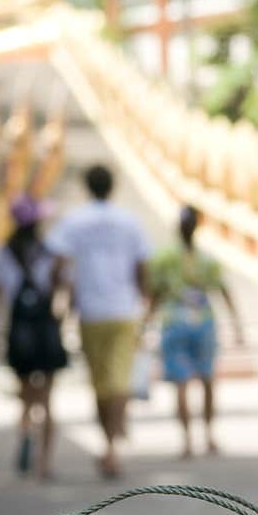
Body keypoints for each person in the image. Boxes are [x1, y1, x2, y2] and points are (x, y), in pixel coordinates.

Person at [49, 164, 151, 478]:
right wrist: (144, 300)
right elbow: (142, 266)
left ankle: (107, 444)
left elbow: (58, 263)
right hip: (123, 310)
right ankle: (112, 446)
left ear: (86, 186)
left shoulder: (75, 221)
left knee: (99, 382)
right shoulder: (128, 221)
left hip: (90, 311)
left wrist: (61, 294)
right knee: (119, 378)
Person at [149, 205, 244, 457]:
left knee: (181, 383)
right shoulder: (207, 260)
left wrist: (144, 324)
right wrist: (237, 324)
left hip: (174, 322)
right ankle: (209, 435)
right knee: (207, 379)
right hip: (204, 322)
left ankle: (187, 440)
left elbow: (155, 294)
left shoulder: (164, 258)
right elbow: (223, 290)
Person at [0, 194, 68, 479]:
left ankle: (24, 434)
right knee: (47, 399)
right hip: (45, 330)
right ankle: (44, 462)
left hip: (19, 331)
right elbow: (63, 291)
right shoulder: (50, 253)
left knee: (25, 396)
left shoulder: (1, 253)